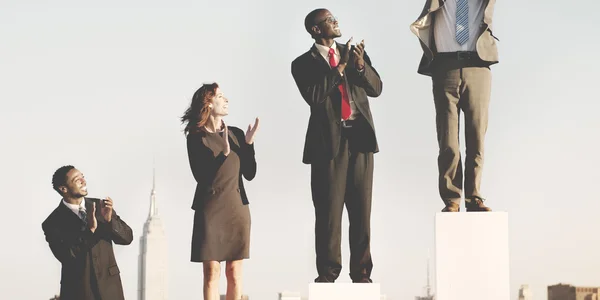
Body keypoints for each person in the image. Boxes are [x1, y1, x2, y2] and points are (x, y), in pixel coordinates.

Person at [291, 8, 383, 283]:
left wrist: (359, 66)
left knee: (361, 211)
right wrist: (339, 68)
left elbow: (376, 88)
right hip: (327, 145)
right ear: (316, 30)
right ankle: (329, 273)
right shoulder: (302, 63)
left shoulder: (354, 53)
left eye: (336, 19)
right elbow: (315, 96)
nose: (336, 22)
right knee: (329, 213)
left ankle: (362, 272)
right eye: (330, 20)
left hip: (360, 140)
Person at [410, 0, 499, 212]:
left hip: (477, 65)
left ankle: (474, 197)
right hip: (445, 67)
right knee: (448, 139)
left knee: (477, 136)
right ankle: (452, 198)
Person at [181, 82, 259, 300]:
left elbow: (250, 173)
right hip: (211, 210)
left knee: (234, 273)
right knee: (211, 273)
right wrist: (223, 154)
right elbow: (201, 175)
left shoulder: (235, 133)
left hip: (237, 209)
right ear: (208, 103)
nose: (226, 100)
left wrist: (249, 145)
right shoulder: (196, 137)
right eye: (220, 96)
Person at [42, 165, 133, 300]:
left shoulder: (101, 206)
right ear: (63, 189)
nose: (83, 181)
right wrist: (89, 231)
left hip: (110, 290)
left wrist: (109, 222)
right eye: (77, 179)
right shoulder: (52, 223)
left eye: (83, 177)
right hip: (78, 292)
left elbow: (127, 238)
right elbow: (67, 256)